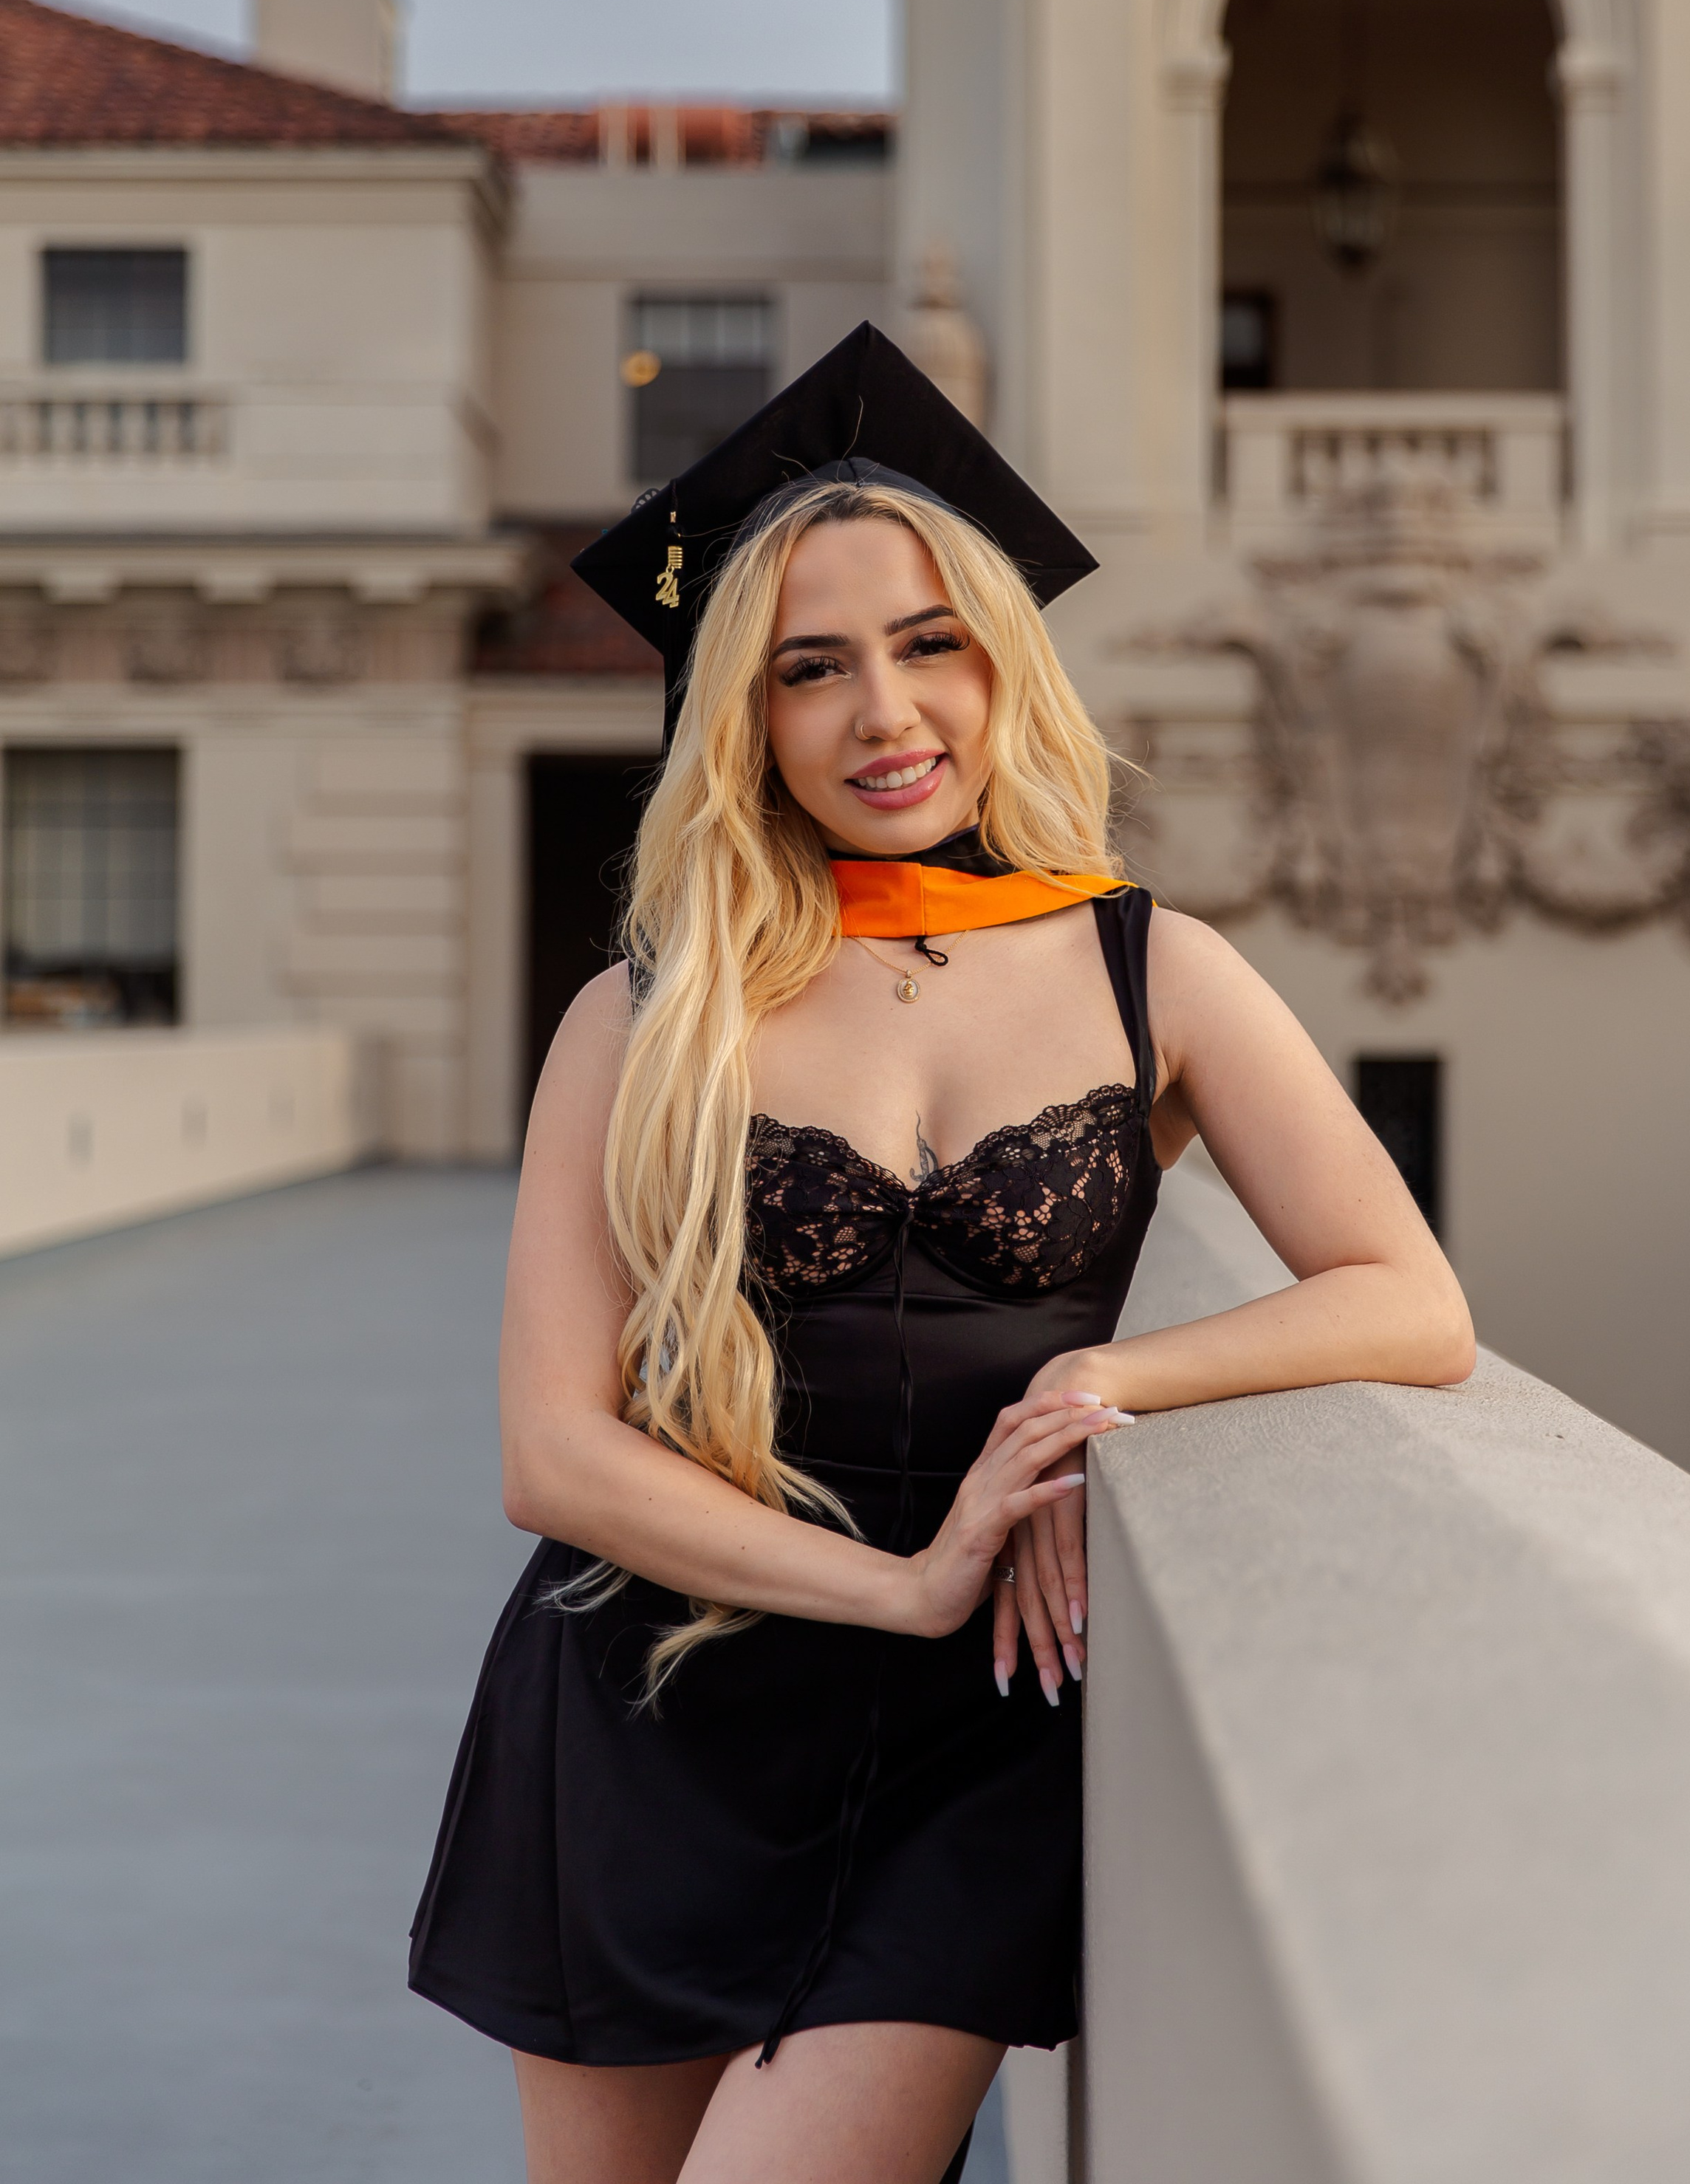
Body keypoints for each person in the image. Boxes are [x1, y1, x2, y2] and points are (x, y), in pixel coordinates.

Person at [409, 326, 1474, 2184]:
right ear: (744, 716)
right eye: (808, 667)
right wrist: (900, 1586)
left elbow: (1410, 1302)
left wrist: (1103, 1372)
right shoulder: (645, 1011)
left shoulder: (1154, 967)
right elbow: (551, 1454)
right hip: (650, 1711)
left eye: (929, 645)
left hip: (976, 1748)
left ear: (1001, 664)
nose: (882, 713)